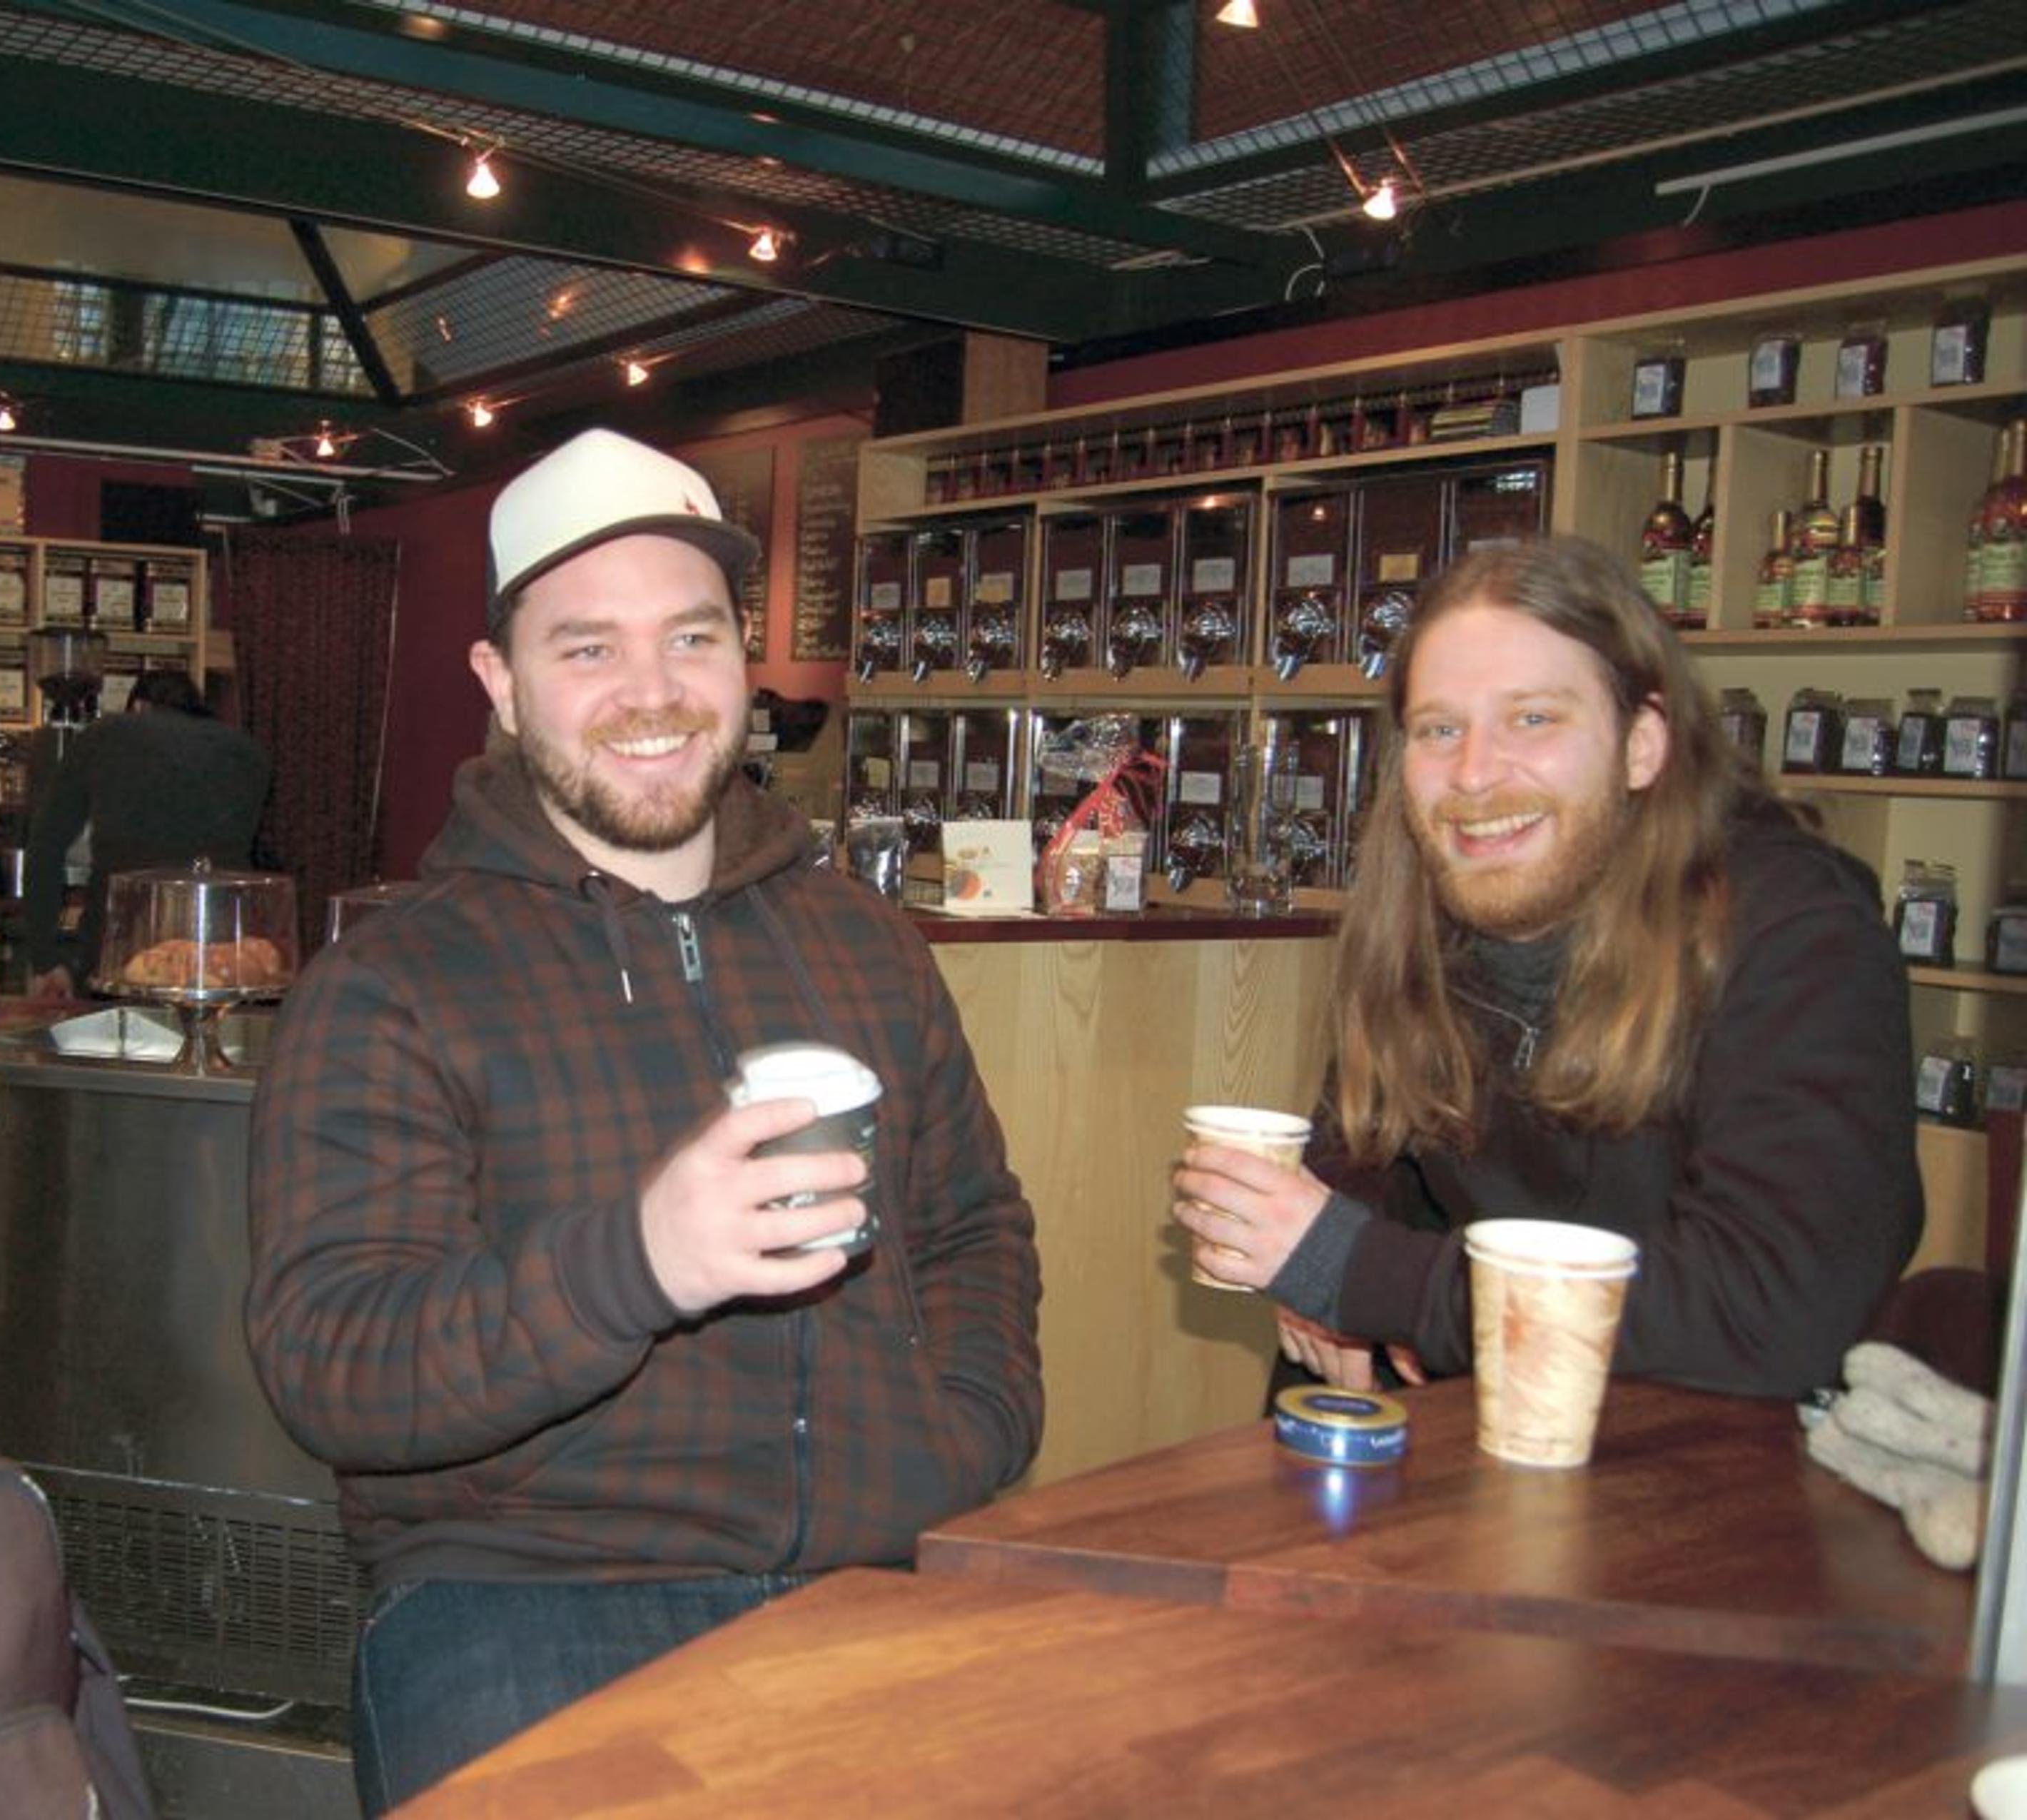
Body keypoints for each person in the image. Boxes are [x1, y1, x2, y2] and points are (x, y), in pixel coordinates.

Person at [245, 428, 1043, 1814]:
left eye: (691, 637)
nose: (654, 692)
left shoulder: (866, 942)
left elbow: (974, 1224)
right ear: (501, 684)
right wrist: (640, 1265)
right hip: (532, 1596)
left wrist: (966, 1431)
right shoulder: (389, 986)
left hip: (881, 1570)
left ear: (742, 660)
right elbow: (331, 1358)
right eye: (588, 648)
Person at [1171, 535, 1921, 1401]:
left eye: (1532, 719)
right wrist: (1337, 1275)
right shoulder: (1432, 917)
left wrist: (1365, 1275)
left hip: (1713, 1458)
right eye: (1440, 730)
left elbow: (1771, 1315)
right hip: (1492, 1431)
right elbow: (1364, 1151)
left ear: (1642, 745)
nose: (1475, 774)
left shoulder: (1799, 935)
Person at [17, 666, 272, 996]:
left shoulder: (106, 735)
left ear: (138, 706)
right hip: (221, 948)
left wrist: (45, 960)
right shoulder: (247, 751)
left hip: (122, 947)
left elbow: (45, 847)